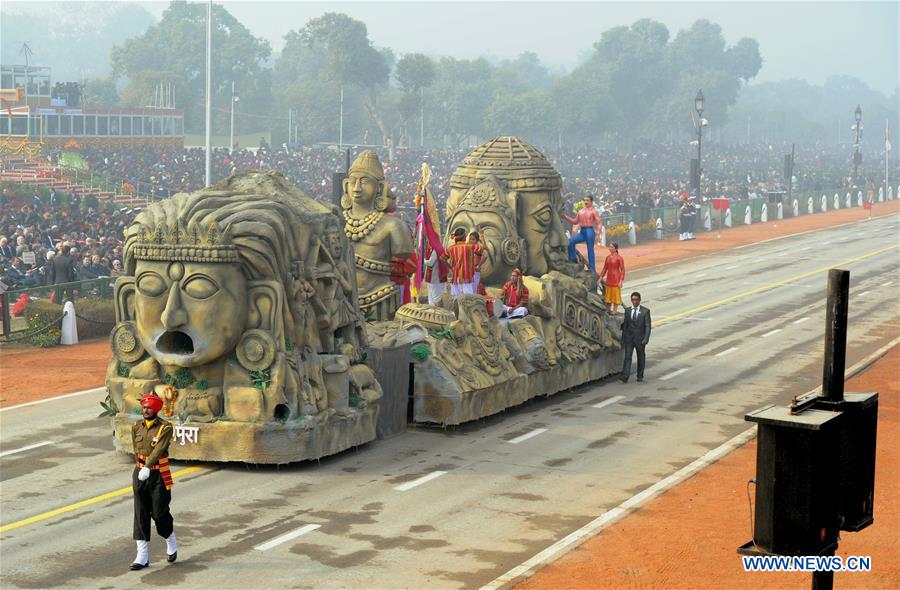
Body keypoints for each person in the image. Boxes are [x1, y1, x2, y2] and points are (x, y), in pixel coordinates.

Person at [130, 392, 178, 570]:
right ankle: (142, 556)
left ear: (156, 409)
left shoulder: (165, 427)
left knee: (159, 513)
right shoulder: (136, 426)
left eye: (149, 407)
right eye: (144, 407)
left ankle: (170, 538)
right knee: (140, 512)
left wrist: (148, 467)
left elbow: (159, 449)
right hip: (140, 473)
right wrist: (140, 467)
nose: (145, 409)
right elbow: (136, 448)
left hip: (158, 473)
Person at [563, 195, 602, 274]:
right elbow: (575, 221)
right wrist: (565, 217)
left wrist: (598, 232)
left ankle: (592, 270)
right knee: (570, 241)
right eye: (584, 200)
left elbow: (599, 223)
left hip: (590, 231)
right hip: (582, 231)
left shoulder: (594, 211)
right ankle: (573, 260)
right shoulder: (580, 211)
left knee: (590, 249)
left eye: (587, 200)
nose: (585, 202)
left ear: (591, 202)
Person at [620, 292, 651, 383]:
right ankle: (625, 375)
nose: (635, 301)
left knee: (640, 357)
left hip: (640, 339)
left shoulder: (645, 311)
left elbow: (648, 326)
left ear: (639, 300)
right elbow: (625, 326)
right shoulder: (628, 311)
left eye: (636, 300)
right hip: (629, 339)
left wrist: (646, 338)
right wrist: (623, 338)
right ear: (631, 300)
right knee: (627, 357)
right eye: (633, 300)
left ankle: (640, 375)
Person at [444, 227, 477, 298]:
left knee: (456, 299)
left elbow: (442, 258)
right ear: (464, 236)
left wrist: (450, 268)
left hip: (455, 277)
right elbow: (482, 248)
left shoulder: (450, 248)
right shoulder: (470, 246)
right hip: (466, 277)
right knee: (469, 298)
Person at [598, 242, 625, 314]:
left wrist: (621, 281)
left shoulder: (619, 258)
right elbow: (605, 269)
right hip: (609, 280)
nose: (610, 248)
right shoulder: (608, 258)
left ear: (615, 249)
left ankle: (615, 310)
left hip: (616, 279)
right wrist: (600, 278)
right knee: (608, 296)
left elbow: (622, 270)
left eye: (611, 247)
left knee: (615, 296)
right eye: (609, 247)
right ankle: (608, 309)